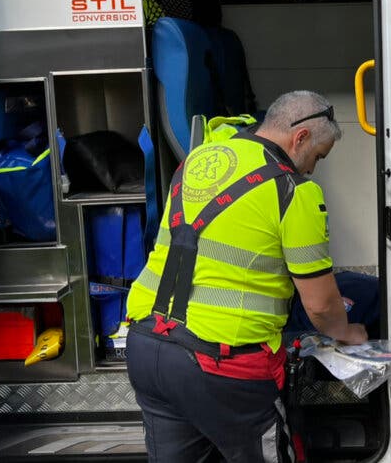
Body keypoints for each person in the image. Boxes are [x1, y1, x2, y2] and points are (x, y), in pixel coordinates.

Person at [125, 90, 368, 463]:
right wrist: (346, 332)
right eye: (318, 156)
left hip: (148, 348)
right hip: (222, 364)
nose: (311, 169)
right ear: (300, 137)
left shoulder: (200, 159)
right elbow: (320, 305)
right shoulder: (293, 190)